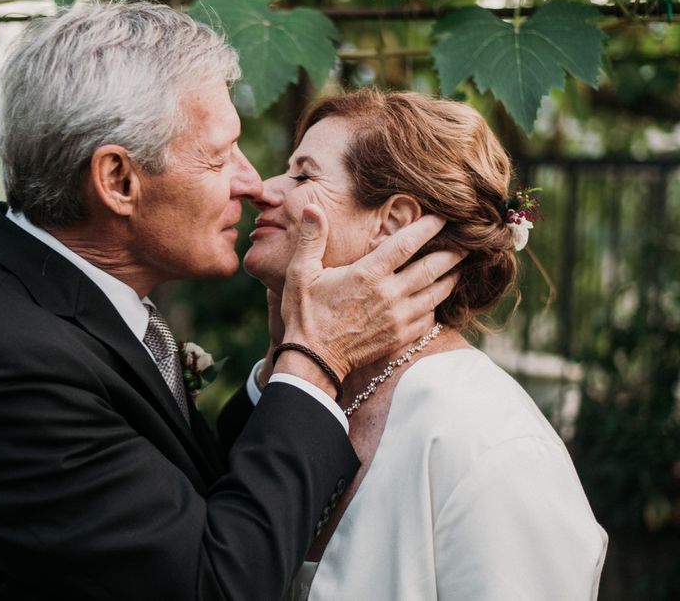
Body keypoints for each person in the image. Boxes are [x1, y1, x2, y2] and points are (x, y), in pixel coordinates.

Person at [0, 4, 462, 600]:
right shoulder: (4, 362)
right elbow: (214, 585)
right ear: (119, 180)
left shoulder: (66, 303)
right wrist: (316, 360)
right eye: (220, 155)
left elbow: (173, 501)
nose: (251, 183)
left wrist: (282, 365)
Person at [244, 90, 608, 600]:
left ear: (391, 222)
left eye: (304, 175)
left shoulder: (488, 441)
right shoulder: (299, 390)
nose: (262, 189)